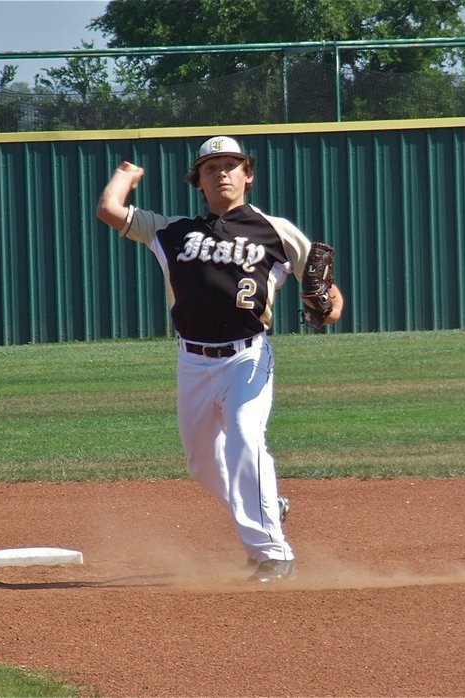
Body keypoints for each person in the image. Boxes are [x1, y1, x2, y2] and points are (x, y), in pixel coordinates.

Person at [96, 136, 343, 582]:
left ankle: (273, 553)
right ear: (198, 181)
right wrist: (125, 175)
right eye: (210, 168)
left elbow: (327, 294)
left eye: (231, 165)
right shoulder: (172, 231)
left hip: (246, 357)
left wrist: (325, 309)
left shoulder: (277, 232)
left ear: (248, 175)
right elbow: (110, 211)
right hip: (191, 361)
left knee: (245, 438)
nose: (221, 173)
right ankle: (269, 503)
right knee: (202, 464)